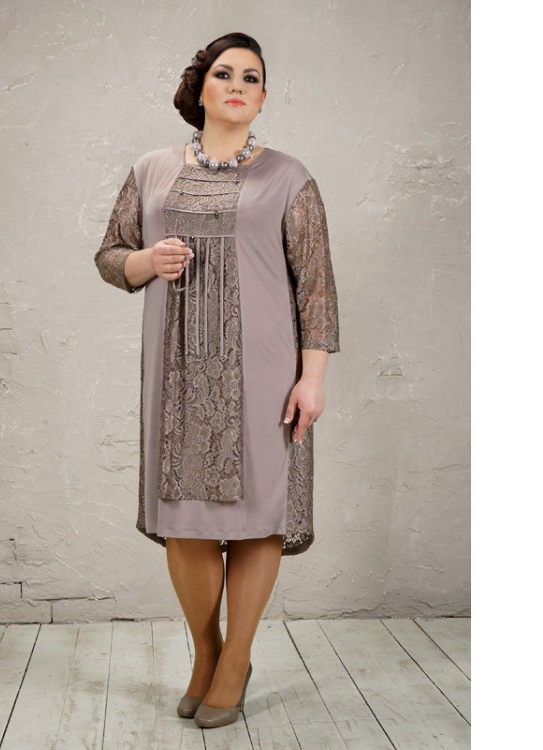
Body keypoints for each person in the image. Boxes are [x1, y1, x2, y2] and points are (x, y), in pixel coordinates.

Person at [94, 32, 340, 728]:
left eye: (251, 77)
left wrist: (312, 380)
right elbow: (109, 254)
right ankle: (207, 654)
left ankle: (236, 662)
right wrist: (146, 262)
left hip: (266, 376)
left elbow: (317, 288)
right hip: (176, 375)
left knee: (259, 518)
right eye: (224, 74)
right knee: (188, 525)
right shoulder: (150, 171)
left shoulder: (290, 177)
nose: (237, 85)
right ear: (199, 89)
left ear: (262, 98)